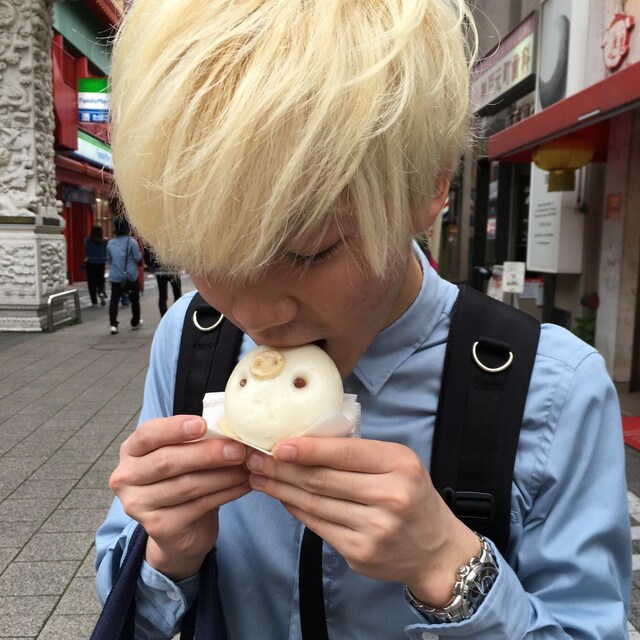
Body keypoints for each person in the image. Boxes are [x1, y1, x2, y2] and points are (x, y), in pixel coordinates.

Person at [96, 1, 632, 638]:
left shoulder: (553, 389)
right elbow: (130, 607)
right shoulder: (191, 338)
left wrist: (449, 567)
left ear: (430, 188)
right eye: (208, 256)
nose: (257, 316)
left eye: (309, 252)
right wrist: (167, 554)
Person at [106, 216, 144, 335]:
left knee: (114, 300)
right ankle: (135, 321)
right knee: (134, 299)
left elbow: (109, 260)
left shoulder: (110, 243)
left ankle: (113, 325)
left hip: (115, 276)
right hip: (130, 276)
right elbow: (137, 258)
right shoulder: (131, 242)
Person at [144, 244, 183, 317]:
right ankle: (177, 315)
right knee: (177, 294)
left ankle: (164, 317)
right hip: (173, 269)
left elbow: (147, 251)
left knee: (162, 295)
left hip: (159, 270)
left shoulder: (154, 239)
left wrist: (151, 264)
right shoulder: (173, 238)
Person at [84, 225, 107, 306]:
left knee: (91, 282)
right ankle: (101, 292)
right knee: (101, 280)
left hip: (91, 263)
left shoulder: (88, 241)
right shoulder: (104, 242)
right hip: (101, 263)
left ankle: (94, 301)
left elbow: (86, 251)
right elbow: (105, 252)